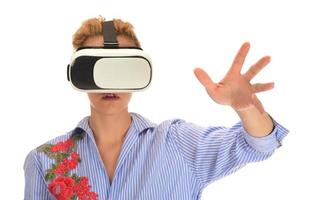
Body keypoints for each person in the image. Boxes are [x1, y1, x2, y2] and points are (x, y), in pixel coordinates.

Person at [24, 16, 289, 200]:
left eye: (123, 69)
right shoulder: (43, 160)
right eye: (97, 68)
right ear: (77, 75)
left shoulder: (177, 142)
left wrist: (246, 109)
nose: (111, 83)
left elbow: (259, 145)